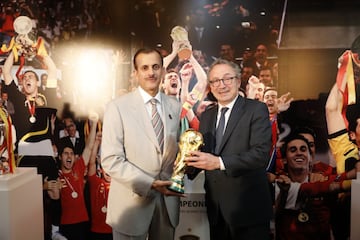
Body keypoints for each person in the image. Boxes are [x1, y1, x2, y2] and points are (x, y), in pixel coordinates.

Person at [185, 59, 273, 240]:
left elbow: (260, 155)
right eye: (215, 81)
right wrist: (183, 165)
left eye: (227, 79)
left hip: (249, 210)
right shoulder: (207, 116)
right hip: (217, 212)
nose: (221, 85)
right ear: (210, 86)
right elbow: (204, 157)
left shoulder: (256, 109)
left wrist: (218, 163)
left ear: (238, 81)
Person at [101, 48, 183, 240]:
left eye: (155, 67)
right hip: (130, 206)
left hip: (166, 205)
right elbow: (111, 159)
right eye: (144, 68)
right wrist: (150, 184)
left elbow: (176, 151)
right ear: (135, 74)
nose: (151, 72)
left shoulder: (175, 106)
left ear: (163, 71)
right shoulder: (117, 107)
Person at [275, 134, 357, 240]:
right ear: (284, 160)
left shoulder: (323, 177)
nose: (299, 153)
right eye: (293, 150)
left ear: (310, 157)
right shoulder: (280, 183)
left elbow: (338, 178)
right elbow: (319, 187)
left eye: (303, 149)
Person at [87, 130, 113, 240]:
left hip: (113, 231)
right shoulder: (95, 182)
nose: (108, 171)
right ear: (101, 169)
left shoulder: (120, 186)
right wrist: (97, 142)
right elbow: (91, 162)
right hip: (96, 231)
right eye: (106, 167)